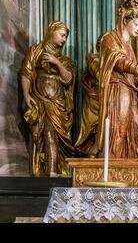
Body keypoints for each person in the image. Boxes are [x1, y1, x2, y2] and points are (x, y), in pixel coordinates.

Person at [97, 0, 138, 159]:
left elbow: (132, 77)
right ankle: (113, 171)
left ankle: (135, 173)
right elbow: (118, 60)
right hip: (117, 89)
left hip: (130, 92)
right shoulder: (109, 38)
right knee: (118, 131)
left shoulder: (130, 48)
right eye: (137, 24)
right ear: (125, 21)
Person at [20, 21, 76, 177]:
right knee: (48, 134)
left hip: (57, 102)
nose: (64, 39)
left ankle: (54, 169)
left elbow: (68, 80)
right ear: (52, 32)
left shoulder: (64, 59)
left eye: (66, 37)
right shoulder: (36, 51)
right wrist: (26, 94)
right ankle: (51, 171)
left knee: (56, 136)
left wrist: (57, 63)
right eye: (62, 35)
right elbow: (26, 73)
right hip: (41, 99)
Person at [74, 34, 104, 157]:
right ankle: (92, 152)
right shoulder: (92, 58)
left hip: (106, 97)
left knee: (104, 126)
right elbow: (99, 75)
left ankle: (99, 149)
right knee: (94, 126)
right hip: (94, 98)